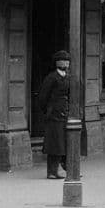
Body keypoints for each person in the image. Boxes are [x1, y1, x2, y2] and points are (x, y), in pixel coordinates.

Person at [37, 50, 73, 179]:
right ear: (58, 62)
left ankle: (68, 169)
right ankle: (52, 171)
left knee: (65, 142)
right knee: (54, 143)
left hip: (65, 113)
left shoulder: (69, 77)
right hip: (54, 115)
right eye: (64, 60)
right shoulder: (51, 78)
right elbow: (43, 97)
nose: (66, 63)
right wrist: (48, 111)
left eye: (68, 61)